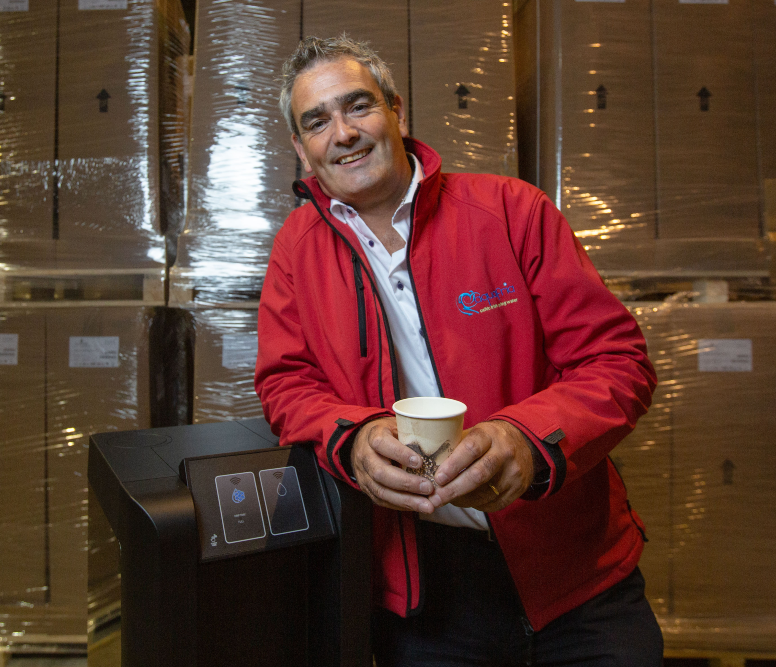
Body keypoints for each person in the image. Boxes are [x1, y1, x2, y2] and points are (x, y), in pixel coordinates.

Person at [255, 34, 662, 666]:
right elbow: (287, 386)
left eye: (358, 106)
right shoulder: (295, 250)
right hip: (424, 592)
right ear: (301, 149)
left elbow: (618, 363)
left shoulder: (509, 211)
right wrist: (355, 439)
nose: (343, 133)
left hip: (577, 576)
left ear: (397, 111)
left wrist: (526, 440)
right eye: (317, 121)